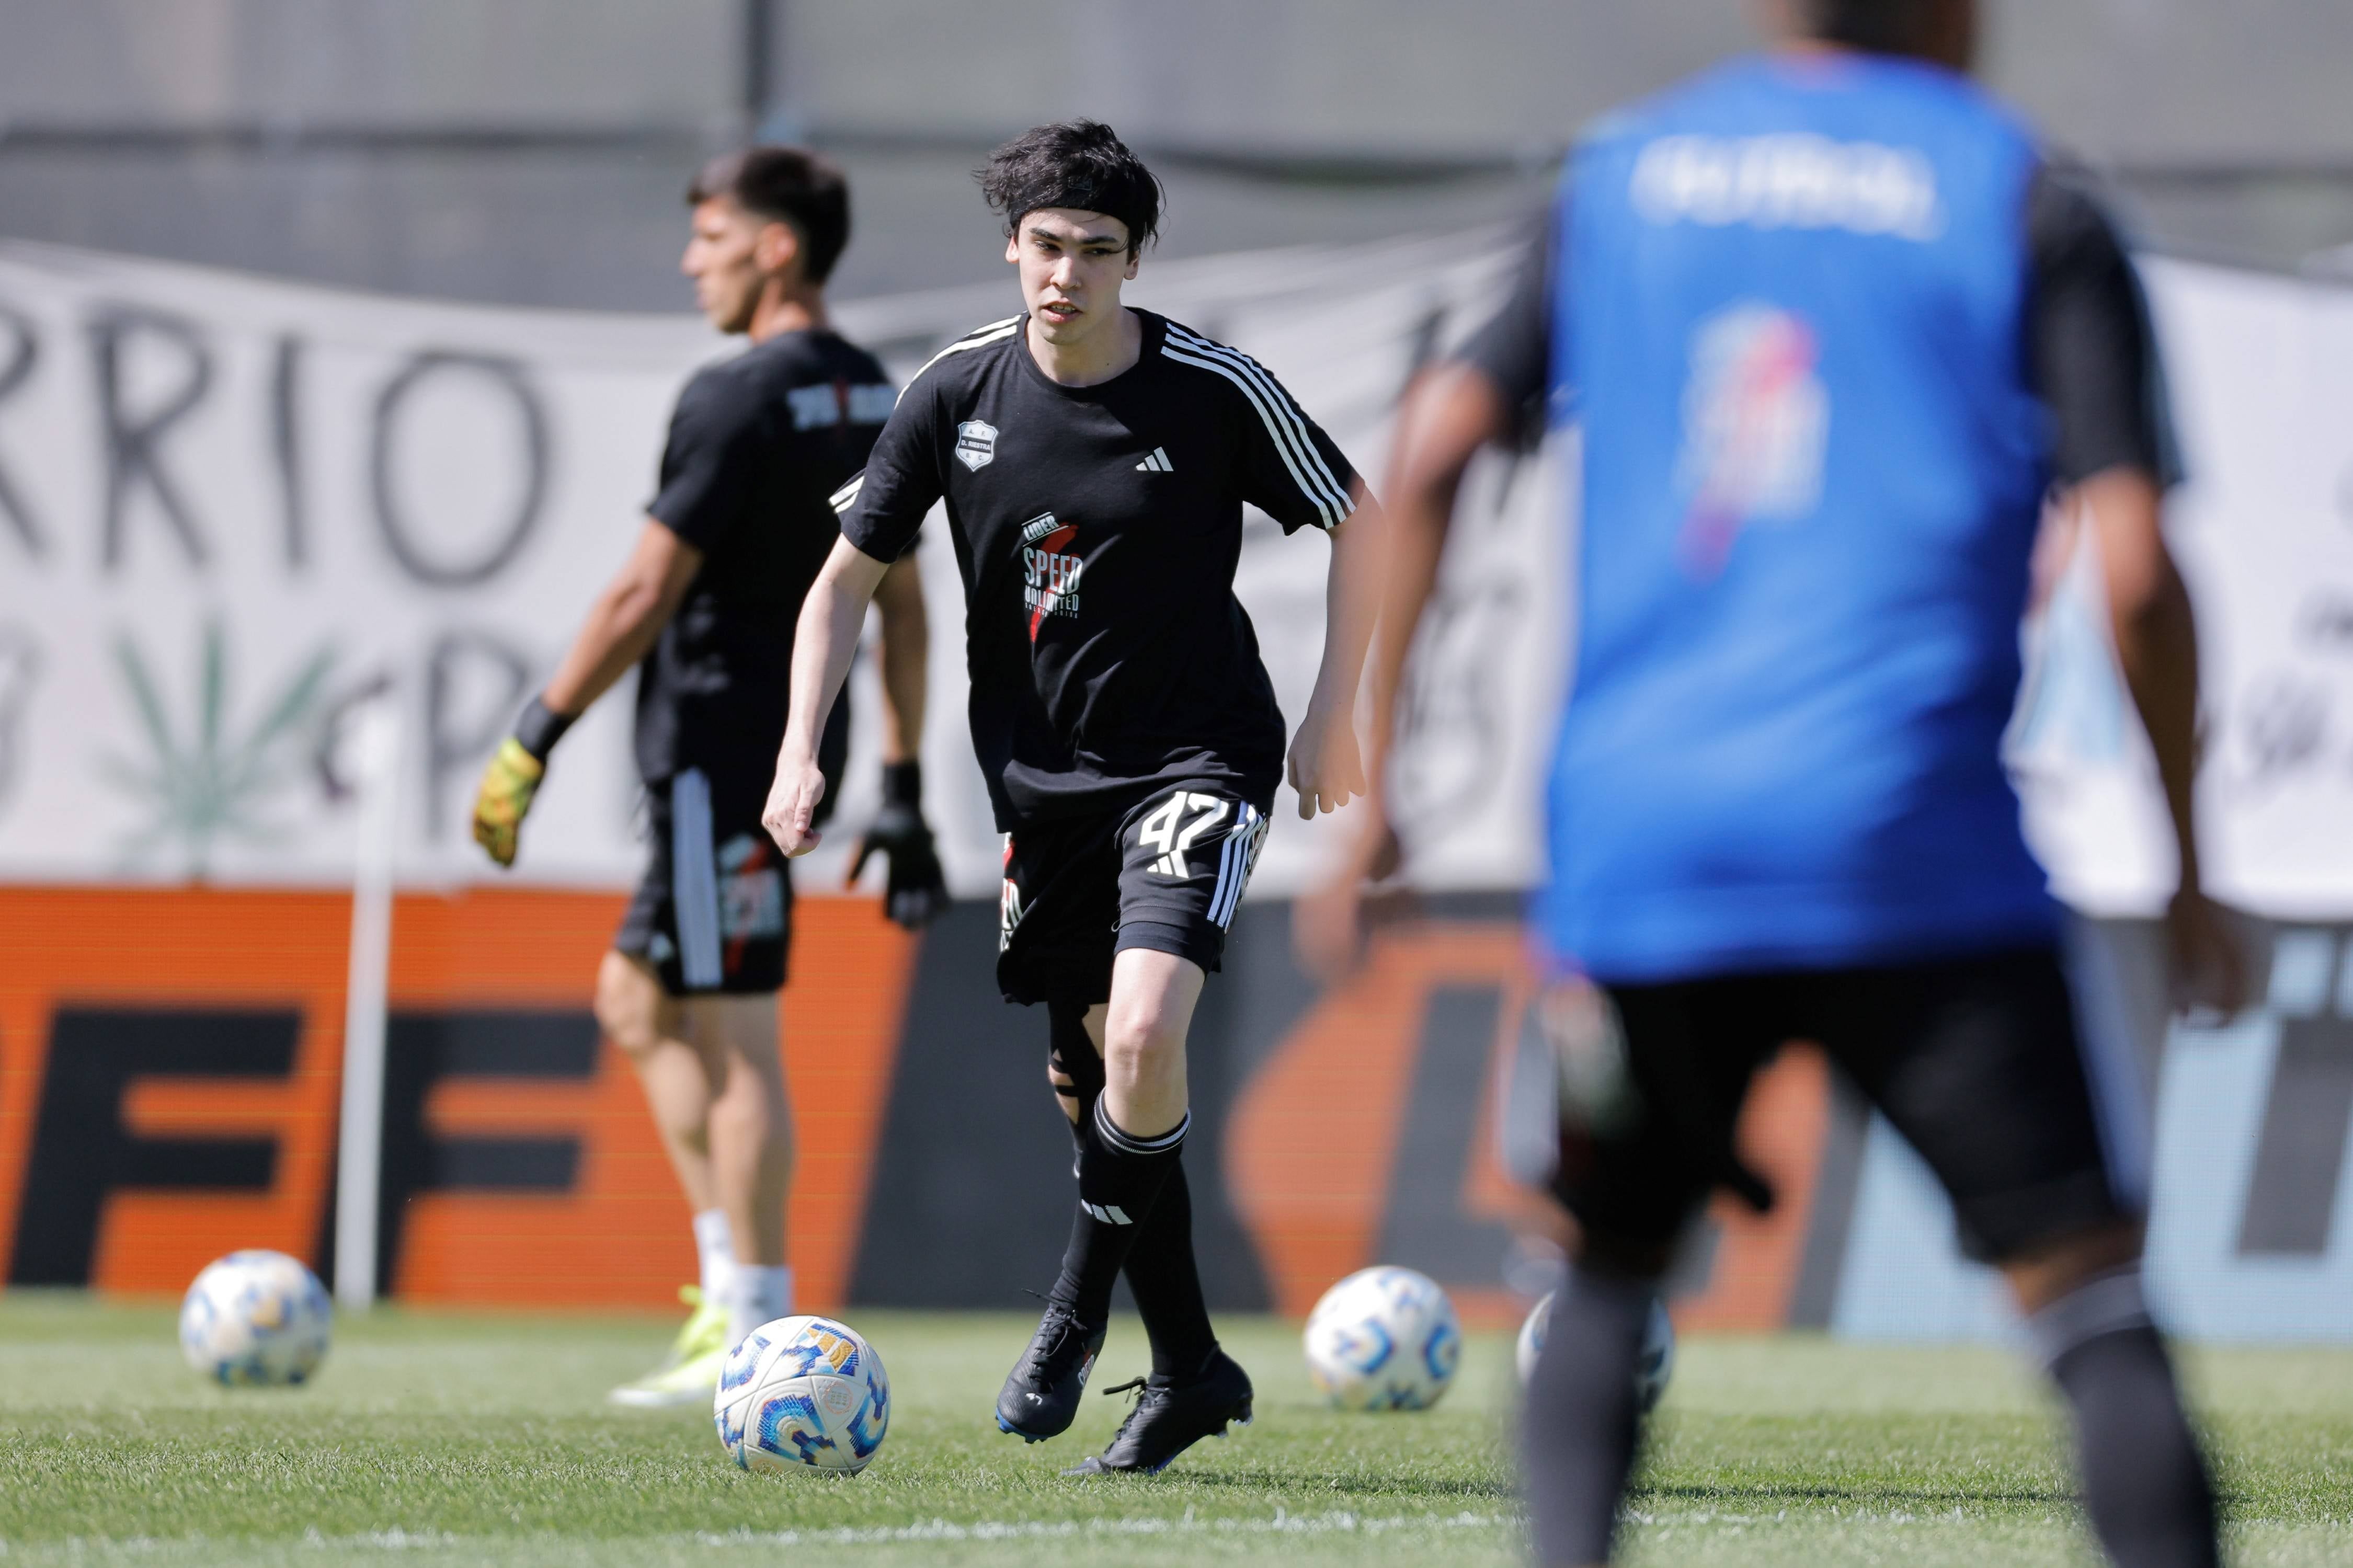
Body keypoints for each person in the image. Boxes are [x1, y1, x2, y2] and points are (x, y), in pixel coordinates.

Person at [1307, 2, 2249, 1564]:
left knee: (1598, 1273)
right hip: (1918, 854)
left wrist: (1377, 783)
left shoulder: (1620, 180)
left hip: (1645, 863)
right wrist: (2191, 870)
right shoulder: (2023, 191)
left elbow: (1426, 455)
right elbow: (2136, 574)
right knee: (2089, 1300)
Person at [764, 120, 1379, 1474]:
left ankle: (1072, 1312)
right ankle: (1194, 1367)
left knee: (1146, 1033)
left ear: (1133, 261)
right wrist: (801, 749)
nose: (1067, 275)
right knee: (1095, 1082)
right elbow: (843, 581)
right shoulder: (952, 393)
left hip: (1197, 761)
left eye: (1097, 251)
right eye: (1047, 246)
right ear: (1011, 247)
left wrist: (1334, 708)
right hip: (1042, 794)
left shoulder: (1211, 388)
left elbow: (1363, 518)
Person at [470, 146, 944, 1408]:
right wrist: (900, 781)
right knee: (635, 1001)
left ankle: (756, 1327)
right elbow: (904, 609)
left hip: (719, 761)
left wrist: (531, 738)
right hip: (784, 754)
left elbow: (642, 592)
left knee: (735, 1037)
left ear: (777, 247)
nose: (693, 263)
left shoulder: (735, 395)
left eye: (714, 239)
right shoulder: (876, 394)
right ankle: (733, 1288)